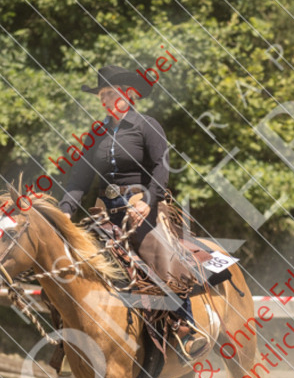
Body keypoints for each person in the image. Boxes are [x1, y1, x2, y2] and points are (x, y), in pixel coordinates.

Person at [57, 65, 208, 360]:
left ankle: (185, 326)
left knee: (158, 253)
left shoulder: (147, 125)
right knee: (72, 262)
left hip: (142, 207)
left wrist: (146, 201)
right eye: (101, 95)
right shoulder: (96, 135)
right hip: (104, 211)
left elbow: (160, 167)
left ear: (128, 95)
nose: (104, 100)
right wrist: (64, 212)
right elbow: (79, 178)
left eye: (110, 93)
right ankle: (69, 332)